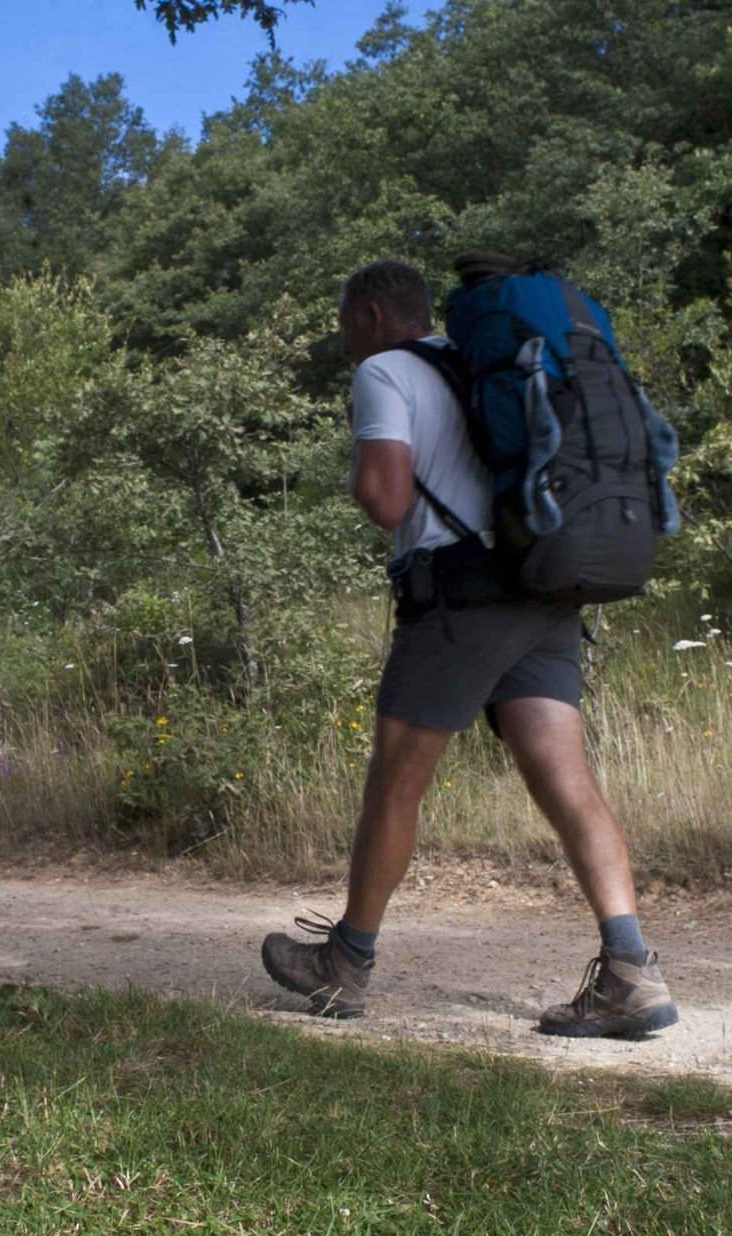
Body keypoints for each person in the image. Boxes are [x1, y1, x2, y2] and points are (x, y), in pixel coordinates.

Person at [259, 261, 679, 1038]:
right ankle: (631, 971)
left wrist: (364, 468)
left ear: (377, 315)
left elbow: (386, 499)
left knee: (395, 784)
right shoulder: (484, 360)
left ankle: (345, 965)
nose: (346, 344)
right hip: (542, 588)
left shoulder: (386, 370)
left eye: (347, 326)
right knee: (567, 780)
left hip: (460, 600)